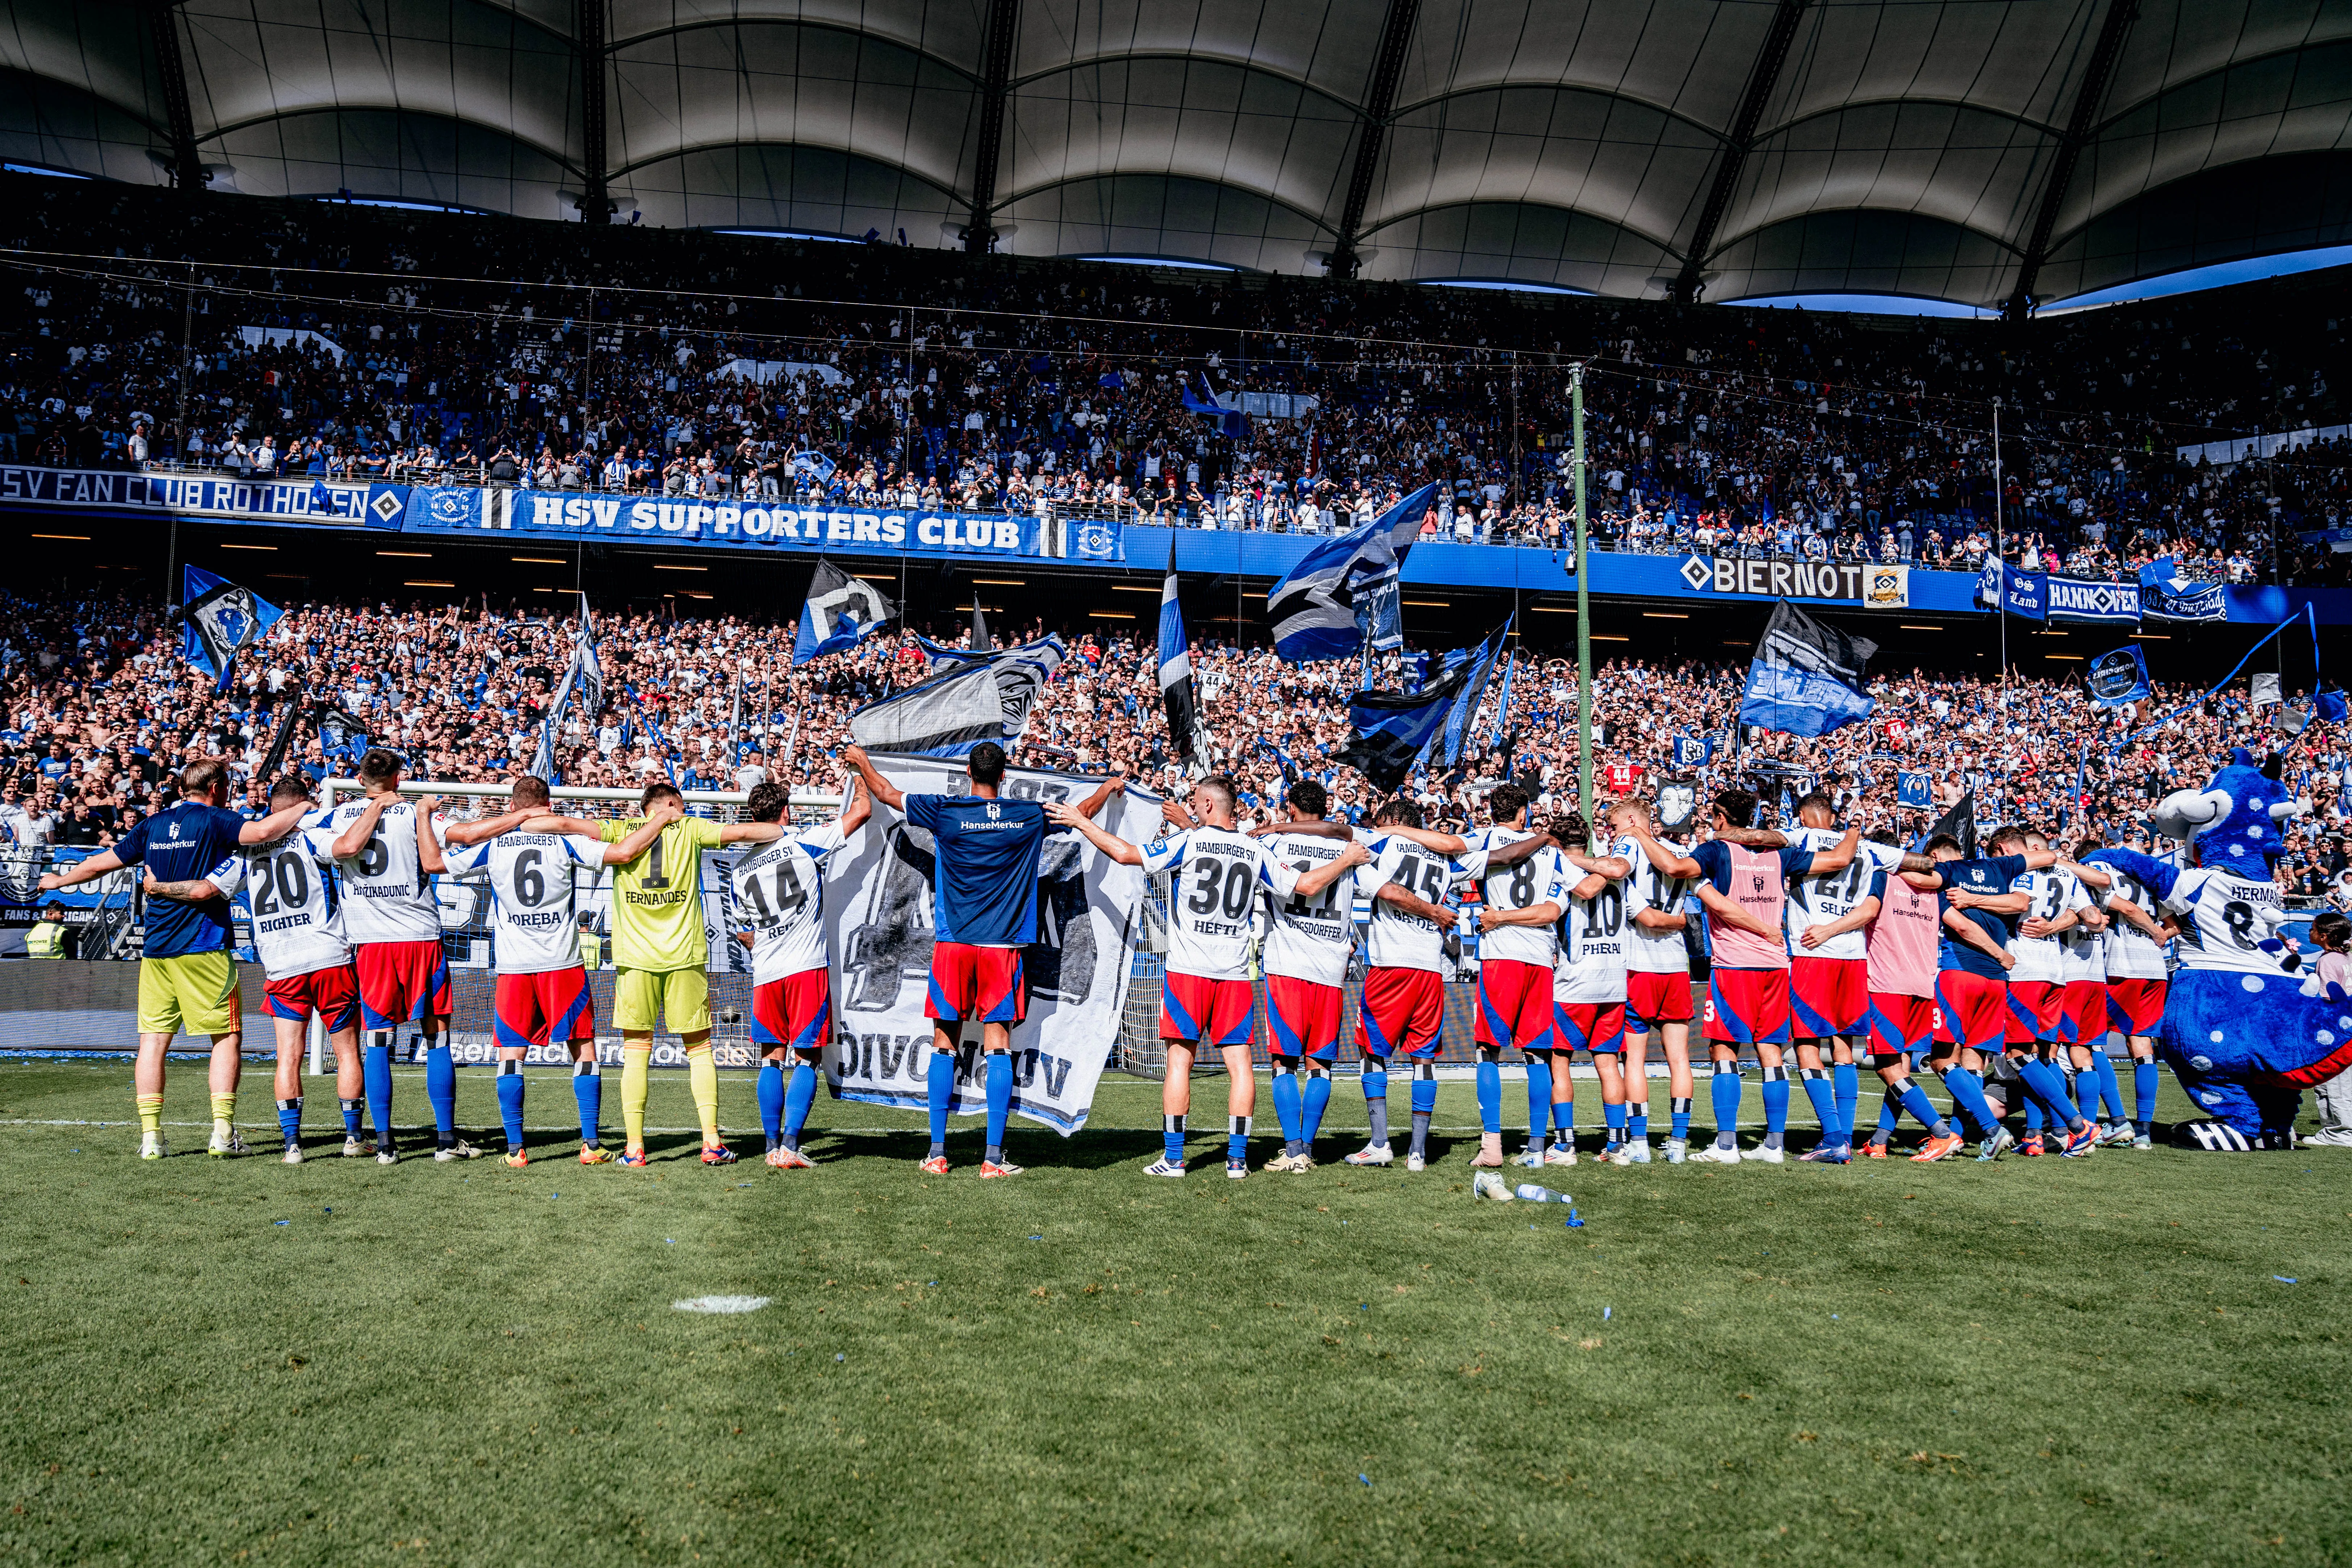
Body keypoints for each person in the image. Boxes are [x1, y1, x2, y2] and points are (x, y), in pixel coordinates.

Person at [1054, 775, 1360, 1178]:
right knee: (1241, 1065)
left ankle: (1176, 1158)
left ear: (1210, 805)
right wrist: (1345, 860)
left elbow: (1127, 854)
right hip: (1234, 972)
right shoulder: (1255, 849)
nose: (1192, 806)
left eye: (1196, 801)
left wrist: (1083, 822)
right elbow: (1305, 884)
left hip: (1188, 971)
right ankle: (1237, 1160)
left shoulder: (1191, 841)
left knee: (1179, 1061)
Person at [851, 741, 1122, 1177]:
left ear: (967, 771)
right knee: (999, 1047)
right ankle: (993, 1158)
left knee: (945, 1043)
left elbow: (885, 793)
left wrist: (861, 762)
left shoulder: (947, 811)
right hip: (1002, 948)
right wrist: (1107, 788)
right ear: (1005, 773)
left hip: (955, 945)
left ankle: (937, 1153)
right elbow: (1081, 811)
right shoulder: (1028, 813)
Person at [36, 759, 308, 1160]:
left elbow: (102, 862)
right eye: (228, 784)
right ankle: (222, 1131)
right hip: (203, 946)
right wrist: (306, 805)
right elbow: (266, 830)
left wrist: (59, 880)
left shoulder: (153, 824)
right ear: (214, 787)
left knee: (152, 1041)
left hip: (156, 949)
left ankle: (151, 1137)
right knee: (226, 1037)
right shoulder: (216, 819)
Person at [522, 779, 789, 1167]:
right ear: (667, 804)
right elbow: (751, 831)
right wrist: (788, 829)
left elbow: (554, 826)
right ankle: (711, 1141)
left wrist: (522, 817)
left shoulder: (619, 829)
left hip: (635, 959)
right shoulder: (693, 827)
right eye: (679, 805)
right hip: (684, 956)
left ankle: (634, 1148)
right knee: (699, 1050)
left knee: (636, 1053)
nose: (683, 810)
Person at [441, 776, 678, 1166]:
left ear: (514, 805)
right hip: (563, 963)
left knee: (511, 1054)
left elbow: (435, 863)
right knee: (583, 1047)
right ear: (548, 804)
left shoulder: (492, 844)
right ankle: (591, 1143)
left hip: (514, 967)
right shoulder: (562, 839)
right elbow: (622, 853)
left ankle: (516, 1149)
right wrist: (661, 819)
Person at [1621, 788, 1856, 1164]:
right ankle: (1774, 1145)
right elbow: (1840, 858)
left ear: (1719, 815)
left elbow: (1676, 868)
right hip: (1778, 964)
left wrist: (1640, 834)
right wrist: (1855, 828)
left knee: (1723, 1050)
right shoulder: (1781, 854)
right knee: (1771, 1052)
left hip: (1735, 964)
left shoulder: (1717, 851)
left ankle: (1727, 1144)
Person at [147, 776, 366, 1163]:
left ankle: (292, 1146)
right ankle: (353, 1137)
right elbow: (348, 846)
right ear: (302, 804)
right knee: (347, 1051)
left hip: (282, 964)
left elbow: (201, 891)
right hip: (329, 955)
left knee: (288, 1055)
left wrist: (158, 887)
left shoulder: (247, 852)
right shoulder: (313, 836)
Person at [317, 750, 474, 1163]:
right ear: (399, 778)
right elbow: (464, 835)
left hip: (369, 943)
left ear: (358, 777)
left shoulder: (338, 815)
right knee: (437, 1035)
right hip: (420, 937)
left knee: (378, 1040)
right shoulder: (415, 812)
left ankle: (385, 1145)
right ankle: (445, 1141)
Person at [725, 775, 869, 1167]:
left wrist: (771, 941)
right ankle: (790, 1145)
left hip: (767, 970)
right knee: (808, 1057)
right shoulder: (803, 842)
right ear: (785, 812)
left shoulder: (739, 870)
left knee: (771, 1057)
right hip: (806, 967)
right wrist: (860, 776)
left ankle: (771, 1146)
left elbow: (742, 931)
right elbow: (862, 812)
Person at [1341, 797, 1480, 1172]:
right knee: (1423, 1057)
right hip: (1431, 967)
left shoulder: (1381, 843)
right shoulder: (1445, 857)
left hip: (1391, 966)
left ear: (1394, 820)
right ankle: (1417, 1153)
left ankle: (1380, 1143)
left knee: (1372, 1052)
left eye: (1381, 819)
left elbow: (1387, 891)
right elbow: (1484, 853)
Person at [1247, 779, 1368, 1170]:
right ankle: (1309, 1149)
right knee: (1321, 1064)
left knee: (1284, 1062)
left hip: (1288, 964)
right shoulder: (1349, 846)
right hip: (1331, 965)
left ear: (1292, 809)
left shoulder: (1274, 843)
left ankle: (1295, 1150)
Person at [1855, 836, 1968, 1161]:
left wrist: (1830, 929)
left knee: (1888, 1068)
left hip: (1887, 983)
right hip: (1923, 984)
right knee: (1900, 1065)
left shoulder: (1882, 878)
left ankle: (1942, 1133)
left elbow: (1867, 912)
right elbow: (1960, 925)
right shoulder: (1932, 887)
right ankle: (1879, 1140)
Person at [1609, 797, 1696, 1164]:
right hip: (1676, 964)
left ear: (1631, 820)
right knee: (1680, 1058)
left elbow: (1646, 916)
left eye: (1614, 825)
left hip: (1639, 965)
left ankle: (1641, 1142)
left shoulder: (1626, 847)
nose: (1612, 833)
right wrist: (1681, 921)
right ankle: (1677, 1143)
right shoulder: (1679, 850)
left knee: (1635, 1061)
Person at [2076, 847, 2174, 1148]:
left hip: (2120, 966)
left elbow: (2129, 910)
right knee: (2142, 1046)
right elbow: (2174, 925)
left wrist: (2152, 932)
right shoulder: (2147, 878)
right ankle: (2143, 1130)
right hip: (2154, 969)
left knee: (2088, 1042)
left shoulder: (2097, 872)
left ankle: (2115, 1121)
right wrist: (2158, 936)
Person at [2305, 911, 2352, 1148]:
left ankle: (2341, 1132)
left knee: (2333, 1082)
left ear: (2323, 936)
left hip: (2334, 1029)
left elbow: (2327, 998)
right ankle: (2332, 1129)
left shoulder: (2327, 961)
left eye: (2313, 929)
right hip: (2348, 1026)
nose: (2309, 932)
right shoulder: (2346, 958)